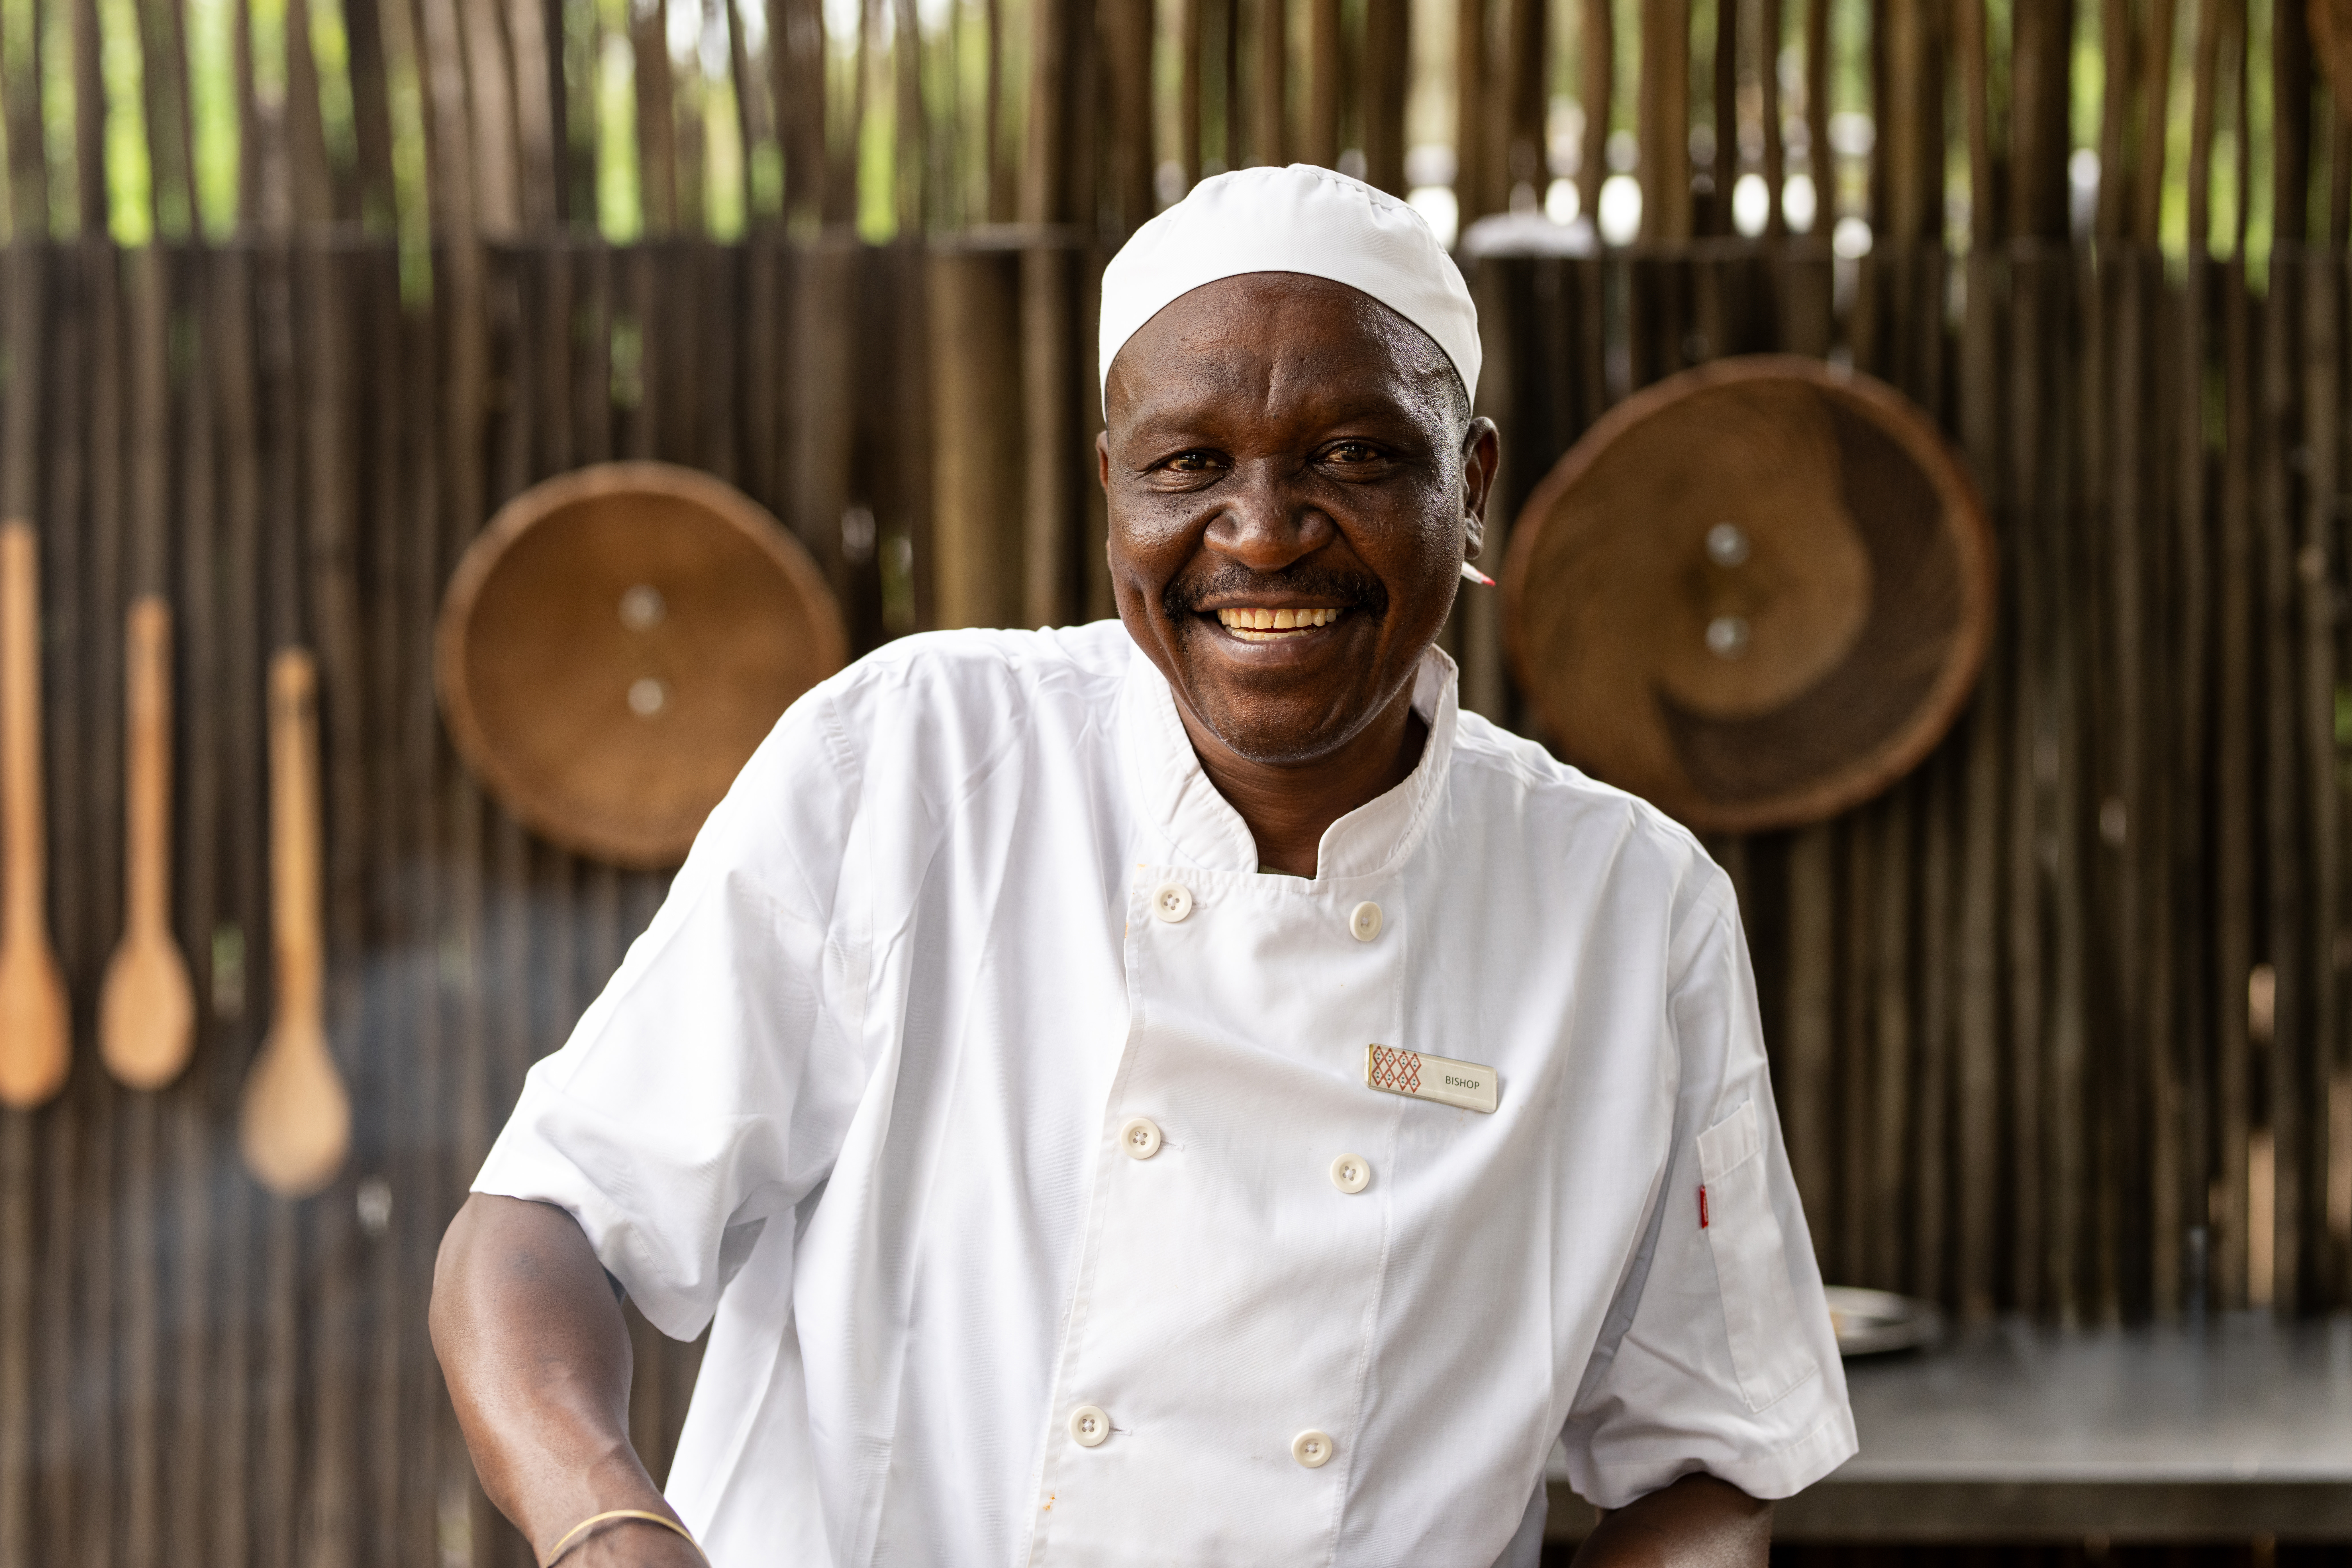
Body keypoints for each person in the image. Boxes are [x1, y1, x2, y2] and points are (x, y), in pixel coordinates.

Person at [431, 163, 1855, 1568]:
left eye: (1354, 454)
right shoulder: (909, 765)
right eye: (1190, 464)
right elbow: (543, 1225)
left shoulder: (1629, 906)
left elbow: (1708, 1461)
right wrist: (609, 1530)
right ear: (1113, 487)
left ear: (1470, 480)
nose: (1263, 532)